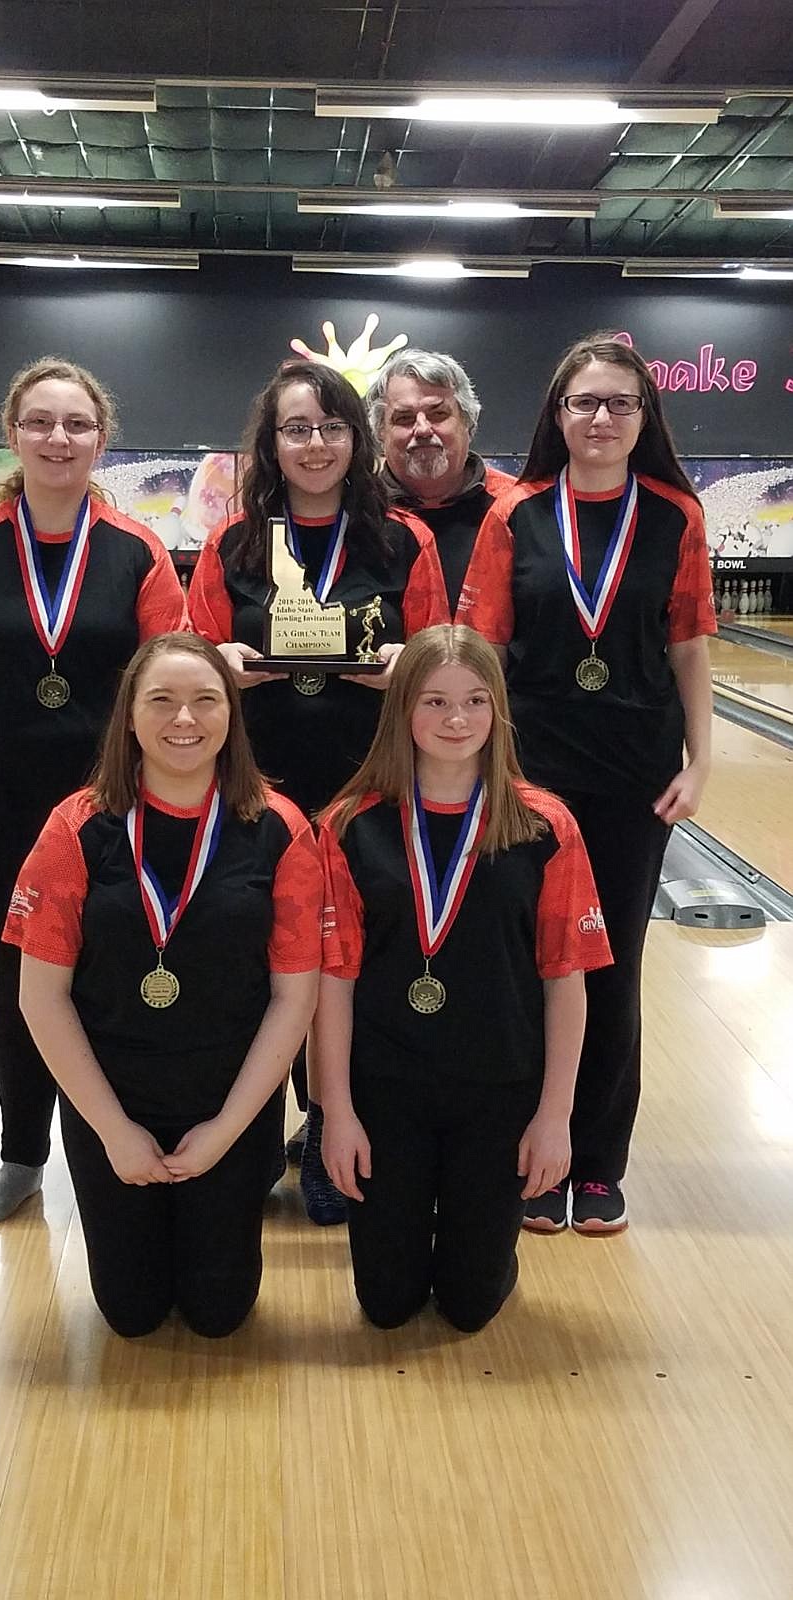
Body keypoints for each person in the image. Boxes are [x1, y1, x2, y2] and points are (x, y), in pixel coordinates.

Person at [0, 356, 187, 1224]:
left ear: (101, 439)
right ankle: (22, 1155)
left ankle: (143, 1147)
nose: (57, 438)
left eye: (75, 424)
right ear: (13, 435)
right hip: (7, 815)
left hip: (117, 815)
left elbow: (173, 690)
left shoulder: (136, 550)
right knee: (20, 984)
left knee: (136, 978)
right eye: (40, 422)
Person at [188, 359, 449, 1224]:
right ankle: (257, 1138)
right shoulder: (232, 546)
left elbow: (443, 661)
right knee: (260, 969)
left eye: (332, 427)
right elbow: (187, 668)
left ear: (356, 439)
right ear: (271, 441)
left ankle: (337, 1129)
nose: (314, 445)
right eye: (296, 428)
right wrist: (218, 668)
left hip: (372, 791)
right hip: (258, 794)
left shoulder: (401, 540)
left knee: (356, 974)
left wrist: (407, 670)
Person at [2, 634, 322, 1337]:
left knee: (219, 1314)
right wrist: (114, 1132)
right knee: (131, 1314)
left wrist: (225, 1133)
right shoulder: (75, 827)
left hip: (229, 1096)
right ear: (130, 716)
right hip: (110, 1096)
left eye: (206, 700)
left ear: (232, 717)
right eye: (163, 701)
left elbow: (295, 998)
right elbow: (40, 996)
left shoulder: (280, 829)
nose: (185, 719)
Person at [474, 333, 716, 1234]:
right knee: (527, 966)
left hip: (633, 777)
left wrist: (700, 761)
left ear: (643, 418)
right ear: (559, 416)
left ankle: (600, 1162)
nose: (603, 418)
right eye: (586, 403)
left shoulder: (675, 518)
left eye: (621, 403)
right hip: (532, 771)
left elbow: (688, 646)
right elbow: (488, 649)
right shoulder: (518, 515)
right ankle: (536, 1154)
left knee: (610, 966)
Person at [315, 625, 612, 1331]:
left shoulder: (545, 826)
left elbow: (566, 980)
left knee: (471, 1306)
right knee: (386, 1305)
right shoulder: (350, 826)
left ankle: (482, 1253)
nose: (456, 719)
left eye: (476, 701)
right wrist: (335, 1112)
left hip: (499, 1089)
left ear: (498, 712)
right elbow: (333, 984)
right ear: (402, 711)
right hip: (387, 1090)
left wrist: (555, 1116)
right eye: (435, 701)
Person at [367, 349, 514, 621]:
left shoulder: (518, 508)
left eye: (438, 414)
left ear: (467, 422)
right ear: (380, 432)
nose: (422, 429)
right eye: (404, 418)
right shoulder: (358, 513)